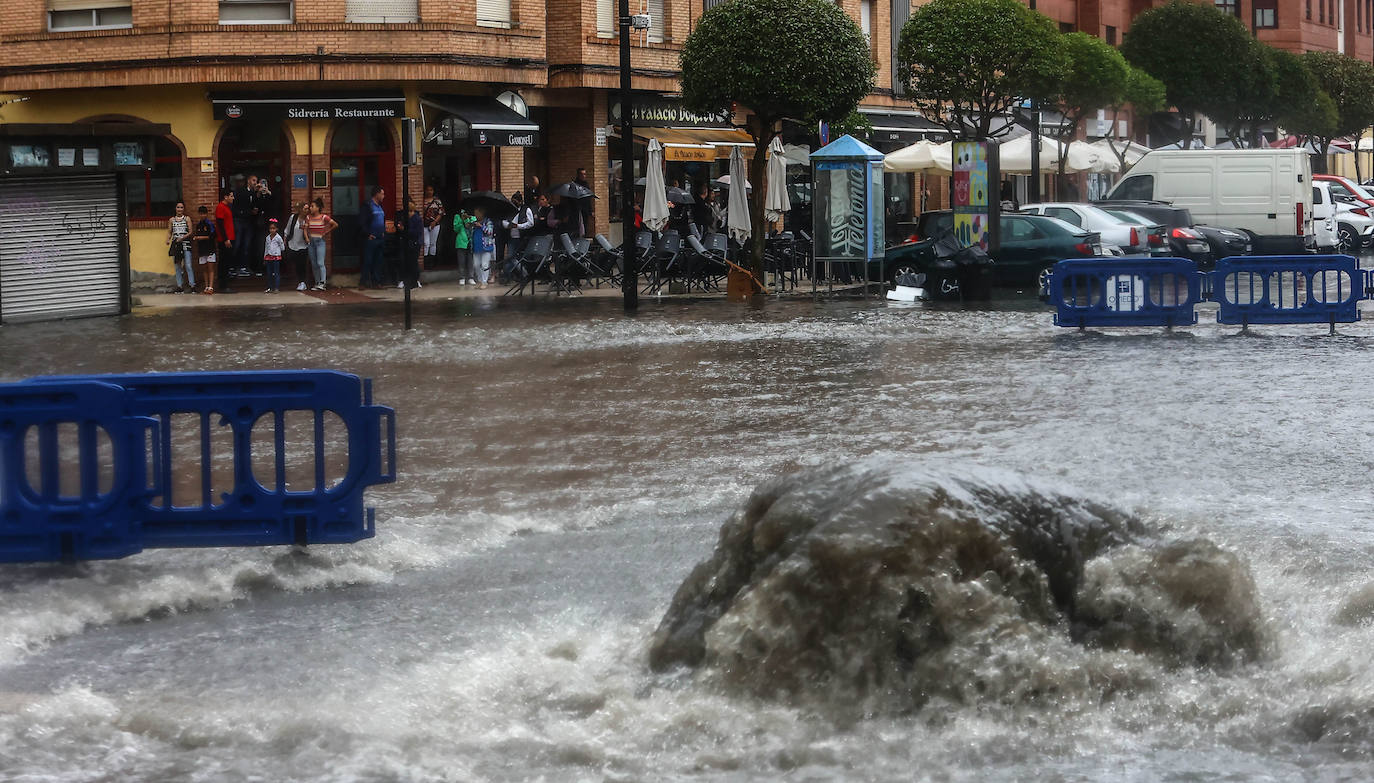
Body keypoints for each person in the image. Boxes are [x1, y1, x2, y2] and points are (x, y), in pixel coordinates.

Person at [304, 197, 337, 290]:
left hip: (320, 242)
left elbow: (335, 224)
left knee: (320, 262)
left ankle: (323, 283)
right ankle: (317, 282)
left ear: (318, 208)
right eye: (310, 206)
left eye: (312, 206)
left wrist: (326, 231)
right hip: (311, 242)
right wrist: (307, 238)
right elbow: (305, 229)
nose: (310, 208)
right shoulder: (308, 217)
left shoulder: (324, 217)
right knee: (314, 263)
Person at [360, 186, 387, 289]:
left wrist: (383, 232)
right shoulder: (368, 206)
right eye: (382, 194)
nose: (383, 196)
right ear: (377, 194)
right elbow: (362, 222)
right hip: (371, 238)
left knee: (378, 261)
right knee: (368, 261)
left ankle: (377, 281)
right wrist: (367, 234)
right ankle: (364, 282)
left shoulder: (380, 207)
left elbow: (382, 220)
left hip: (380, 237)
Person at [165, 201, 193, 293]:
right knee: (177, 265)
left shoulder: (187, 219)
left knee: (188, 265)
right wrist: (168, 239)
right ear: (175, 208)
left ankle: (192, 285)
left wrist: (183, 237)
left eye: (181, 207)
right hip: (176, 244)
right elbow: (170, 231)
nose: (180, 209)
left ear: (184, 209)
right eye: (178, 207)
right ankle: (179, 286)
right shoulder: (172, 220)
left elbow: (190, 231)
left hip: (186, 244)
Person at [283, 202, 310, 290]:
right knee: (294, 262)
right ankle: (297, 280)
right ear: (301, 209)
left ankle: (302, 282)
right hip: (292, 243)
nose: (307, 210)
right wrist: (284, 241)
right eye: (305, 208)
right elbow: (287, 229)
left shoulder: (308, 219)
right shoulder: (293, 217)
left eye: (308, 209)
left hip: (303, 245)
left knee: (301, 264)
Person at [214, 190, 236, 294]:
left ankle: (225, 284)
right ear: (225, 197)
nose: (233, 198)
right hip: (225, 239)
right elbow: (220, 224)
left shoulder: (228, 207)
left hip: (229, 238)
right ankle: (223, 285)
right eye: (231, 196)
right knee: (224, 262)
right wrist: (225, 238)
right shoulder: (220, 207)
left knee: (227, 262)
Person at [400, 197, 424, 289]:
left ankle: (414, 281)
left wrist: (405, 230)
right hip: (408, 243)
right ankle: (409, 281)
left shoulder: (416, 219)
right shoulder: (407, 219)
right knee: (408, 262)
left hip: (414, 244)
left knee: (413, 263)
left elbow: (416, 232)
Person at [192, 205, 217, 295]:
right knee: (204, 269)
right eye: (201, 214)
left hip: (210, 248)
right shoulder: (198, 225)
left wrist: (201, 237)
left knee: (210, 268)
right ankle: (206, 287)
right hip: (202, 249)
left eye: (204, 214)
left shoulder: (209, 224)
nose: (202, 215)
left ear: (206, 214)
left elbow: (213, 236)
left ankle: (211, 287)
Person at [502, 192, 535, 259]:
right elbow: (503, 221)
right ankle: (511, 269)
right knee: (510, 257)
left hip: (522, 238)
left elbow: (531, 223)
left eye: (515, 201)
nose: (513, 203)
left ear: (520, 202)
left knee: (521, 257)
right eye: (512, 201)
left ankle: (521, 269)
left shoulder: (526, 209)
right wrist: (508, 225)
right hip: (511, 238)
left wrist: (518, 226)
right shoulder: (509, 209)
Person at [471, 206, 495, 290]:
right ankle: (480, 280)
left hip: (486, 247)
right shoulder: (474, 222)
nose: (475, 215)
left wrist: (481, 226)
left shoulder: (488, 221)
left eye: (477, 213)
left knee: (484, 265)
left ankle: (484, 282)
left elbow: (490, 232)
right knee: (476, 264)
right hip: (476, 247)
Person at [421, 185, 444, 267]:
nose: (429, 191)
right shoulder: (421, 200)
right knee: (426, 243)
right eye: (427, 190)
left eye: (431, 190)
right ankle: (426, 261)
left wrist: (434, 221)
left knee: (433, 243)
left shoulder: (437, 201)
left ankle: (432, 262)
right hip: (424, 225)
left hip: (435, 225)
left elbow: (441, 213)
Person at [453, 204, 476, 284]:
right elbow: (456, 229)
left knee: (471, 261)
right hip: (461, 241)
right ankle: (462, 277)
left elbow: (472, 225)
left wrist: (467, 219)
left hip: (470, 241)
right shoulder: (457, 216)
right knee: (461, 261)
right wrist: (462, 221)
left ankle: (471, 277)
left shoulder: (472, 216)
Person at [262, 218, 284, 293]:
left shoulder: (278, 238)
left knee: (276, 272)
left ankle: (276, 287)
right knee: (269, 273)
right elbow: (266, 247)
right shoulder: (267, 238)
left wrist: (278, 252)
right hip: (268, 257)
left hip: (276, 257)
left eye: (273, 228)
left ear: (277, 229)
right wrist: (265, 257)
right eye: (270, 228)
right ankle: (270, 287)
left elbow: (282, 247)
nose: (272, 230)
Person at [573, 167, 594, 237]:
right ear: (578, 175)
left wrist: (590, 210)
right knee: (578, 226)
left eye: (585, 174)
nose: (583, 176)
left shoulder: (586, 184)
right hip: (576, 209)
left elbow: (588, 198)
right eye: (582, 174)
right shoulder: (574, 184)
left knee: (585, 225)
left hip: (585, 209)